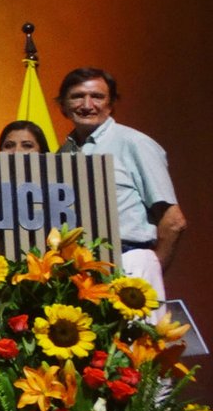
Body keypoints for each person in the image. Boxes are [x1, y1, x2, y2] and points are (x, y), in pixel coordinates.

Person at [57, 67, 185, 297]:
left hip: (129, 260)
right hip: (78, 272)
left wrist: (150, 268)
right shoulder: (62, 154)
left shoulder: (134, 143)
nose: (87, 105)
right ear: (63, 105)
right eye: (77, 96)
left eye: (97, 96)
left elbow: (173, 220)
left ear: (111, 104)